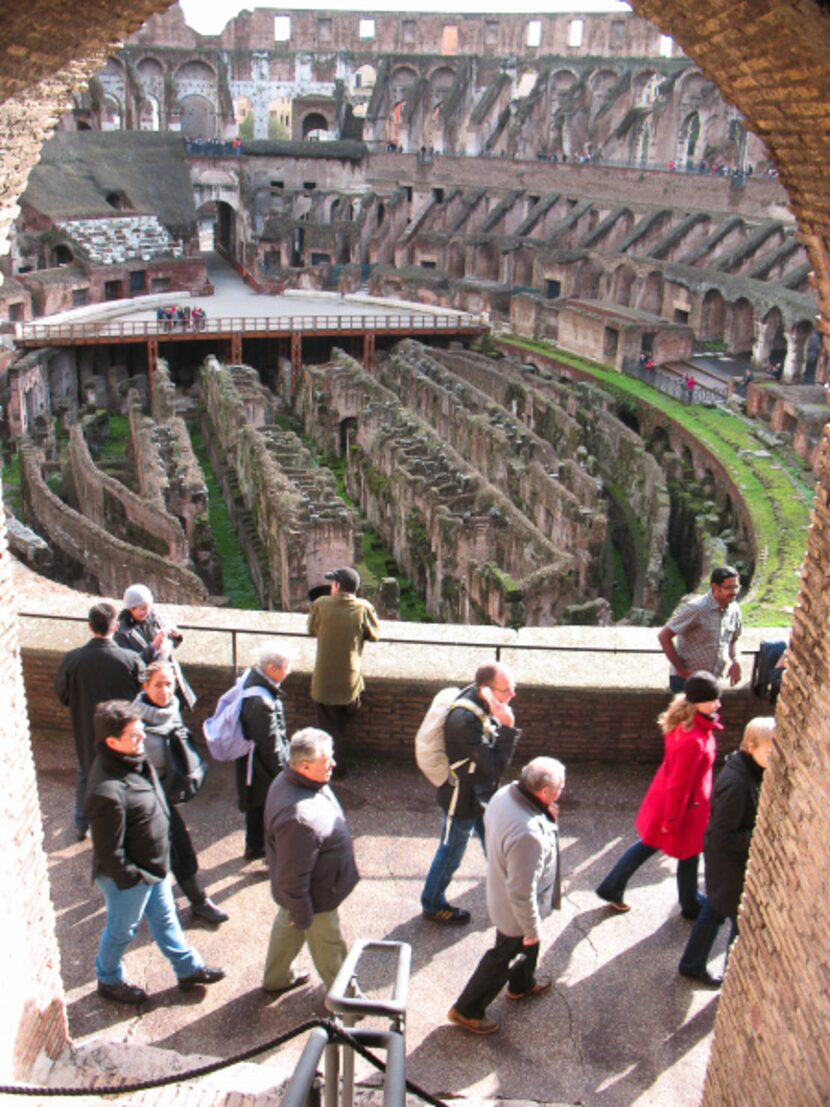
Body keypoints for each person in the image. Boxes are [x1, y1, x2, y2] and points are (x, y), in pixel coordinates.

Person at [85, 700, 224, 1004]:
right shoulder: (106, 791)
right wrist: (136, 878)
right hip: (133, 878)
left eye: (141, 733)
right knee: (122, 930)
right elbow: (110, 851)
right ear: (111, 741)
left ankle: (188, 969)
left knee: (166, 919)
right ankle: (108, 980)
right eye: (134, 736)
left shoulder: (133, 757)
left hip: (154, 866)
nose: (142, 740)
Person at [448, 756, 565, 1035]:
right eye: (560, 786)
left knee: (525, 947)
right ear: (546, 792)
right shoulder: (529, 835)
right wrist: (532, 928)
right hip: (515, 909)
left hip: (502, 890)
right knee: (505, 954)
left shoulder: (504, 795)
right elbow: (521, 891)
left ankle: (521, 984)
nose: (563, 791)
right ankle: (467, 1009)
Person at [595, 672, 721, 918]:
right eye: (713, 700)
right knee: (686, 851)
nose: (718, 704)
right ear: (697, 702)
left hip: (669, 800)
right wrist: (672, 820)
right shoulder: (693, 739)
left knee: (658, 845)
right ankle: (690, 903)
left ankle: (614, 887)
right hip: (683, 806)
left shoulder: (684, 724)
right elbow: (681, 784)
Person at [420, 662, 521, 924]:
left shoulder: (479, 698)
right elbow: (494, 766)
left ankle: (505, 888)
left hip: (479, 793)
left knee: (493, 840)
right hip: (462, 797)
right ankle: (432, 903)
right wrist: (508, 727)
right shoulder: (464, 722)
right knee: (451, 851)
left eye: (514, 688)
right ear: (486, 689)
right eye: (507, 690)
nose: (513, 695)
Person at [678, 716, 776, 987]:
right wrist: (761, 836)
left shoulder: (749, 771)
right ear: (750, 746)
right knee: (731, 916)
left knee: (718, 909)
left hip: (729, 862)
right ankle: (727, 976)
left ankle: (694, 964)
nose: (774, 757)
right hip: (729, 863)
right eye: (770, 751)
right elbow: (724, 834)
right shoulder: (738, 783)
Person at [262, 728, 359, 994]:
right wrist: (305, 915)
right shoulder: (299, 819)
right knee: (329, 946)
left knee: (288, 925)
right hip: (316, 897)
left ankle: (276, 977)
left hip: (302, 894)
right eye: (327, 761)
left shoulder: (287, 780)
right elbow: (293, 877)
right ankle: (348, 1000)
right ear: (305, 766)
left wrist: (296, 911)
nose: (333, 764)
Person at [132, 661, 228, 924]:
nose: (165, 691)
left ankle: (191, 902)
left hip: (166, 798)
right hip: (146, 803)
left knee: (178, 851)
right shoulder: (133, 723)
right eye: (158, 685)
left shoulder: (171, 710)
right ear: (144, 686)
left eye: (169, 684)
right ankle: (193, 903)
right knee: (168, 853)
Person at [54, 601, 144, 841]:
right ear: (115, 627)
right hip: (121, 732)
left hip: (87, 728)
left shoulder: (72, 660)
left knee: (87, 773)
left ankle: (82, 823)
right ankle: (122, 823)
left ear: (90, 627)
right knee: (123, 776)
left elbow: (63, 695)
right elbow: (141, 696)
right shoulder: (130, 659)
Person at [307, 567, 380, 776]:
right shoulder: (363, 607)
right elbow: (375, 634)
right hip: (350, 681)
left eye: (332, 583)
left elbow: (312, 630)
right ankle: (334, 745)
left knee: (328, 729)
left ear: (337, 586)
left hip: (324, 682)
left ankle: (336, 770)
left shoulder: (320, 604)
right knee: (346, 713)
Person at [238, 644, 292, 861]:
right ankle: (268, 852)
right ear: (271, 668)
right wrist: (285, 772)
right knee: (270, 808)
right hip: (261, 766)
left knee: (257, 805)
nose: (288, 672)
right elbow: (271, 745)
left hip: (254, 763)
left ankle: (254, 846)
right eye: (286, 668)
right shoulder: (261, 703)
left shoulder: (253, 681)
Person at [657, 565, 743, 693]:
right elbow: (664, 636)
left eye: (736, 587)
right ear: (715, 587)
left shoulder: (734, 609)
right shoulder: (696, 608)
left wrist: (735, 660)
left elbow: (733, 639)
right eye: (729, 588)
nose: (734, 592)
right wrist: (682, 671)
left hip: (712, 680)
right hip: (686, 681)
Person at [115, 583, 195, 709]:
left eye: (148, 607)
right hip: (147, 687)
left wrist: (176, 636)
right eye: (142, 609)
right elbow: (131, 663)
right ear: (131, 609)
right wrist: (153, 647)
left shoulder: (155, 616)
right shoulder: (121, 633)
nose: (146, 612)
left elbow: (172, 643)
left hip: (167, 677)